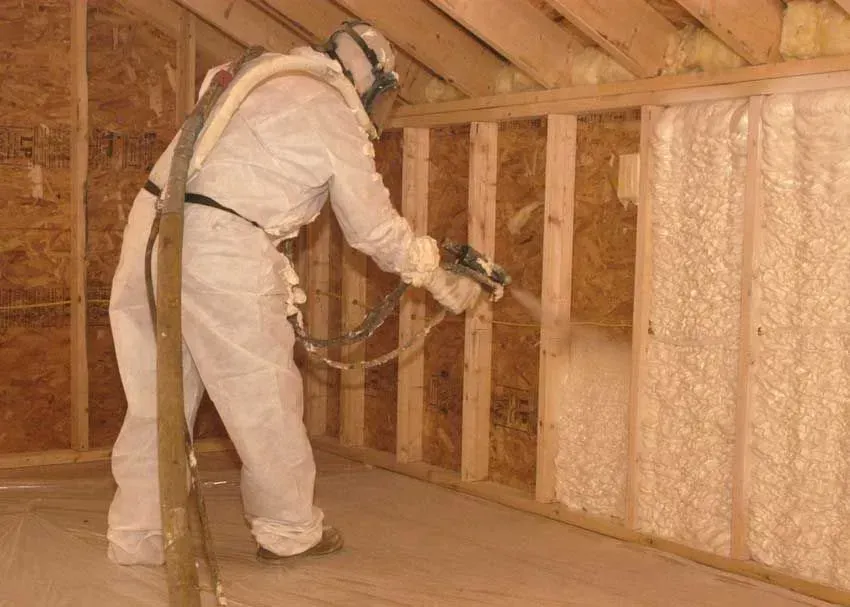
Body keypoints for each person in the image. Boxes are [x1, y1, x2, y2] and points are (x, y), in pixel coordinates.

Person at [106, 21, 482, 565]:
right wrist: (431, 269)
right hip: (221, 246)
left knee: (155, 400)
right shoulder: (328, 106)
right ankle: (288, 531)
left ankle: (138, 538)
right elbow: (371, 228)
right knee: (262, 397)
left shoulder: (248, 74)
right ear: (366, 80)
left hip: (152, 229)